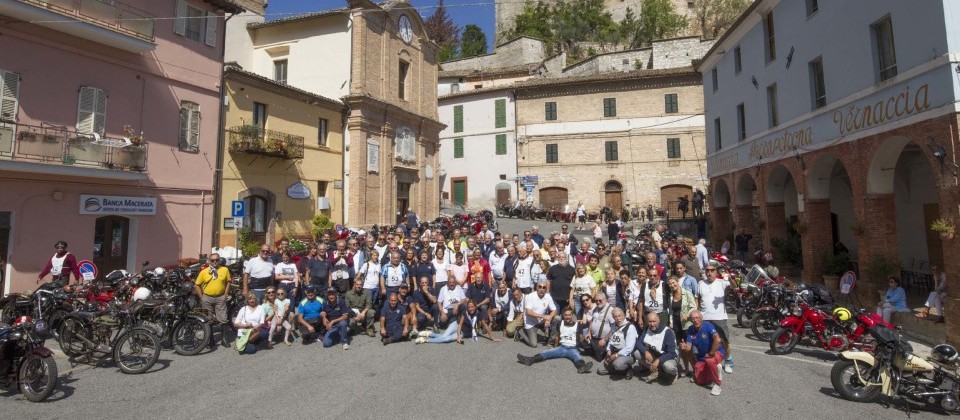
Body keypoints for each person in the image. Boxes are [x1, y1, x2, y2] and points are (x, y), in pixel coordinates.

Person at [516, 307, 594, 374]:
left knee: (578, 358)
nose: (567, 317)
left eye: (569, 315)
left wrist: (587, 346)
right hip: (562, 347)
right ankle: (530, 360)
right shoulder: (560, 323)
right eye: (566, 315)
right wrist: (552, 344)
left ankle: (582, 368)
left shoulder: (578, 325)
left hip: (572, 348)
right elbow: (555, 334)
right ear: (563, 315)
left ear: (572, 315)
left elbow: (581, 337)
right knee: (546, 353)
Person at [698, 263, 733, 373]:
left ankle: (728, 361)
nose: (709, 273)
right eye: (707, 271)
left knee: (724, 341)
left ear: (716, 272)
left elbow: (734, 287)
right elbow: (698, 298)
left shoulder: (722, 282)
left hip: (719, 318)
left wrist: (730, 278)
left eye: (712, 270)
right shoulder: (700, 283)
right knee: (707, 342)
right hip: (705, 318)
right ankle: (709, 362)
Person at [681, 310, 725, 396]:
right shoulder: (690, 329)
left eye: (697, 318)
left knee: (710, 361)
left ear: (701, 318)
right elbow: (689, 347)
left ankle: (717, 384)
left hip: (716, 352)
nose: (695, 320)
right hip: (702, 357)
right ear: (691, 320)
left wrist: (711, 353)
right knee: (700, 381)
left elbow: (717, 339)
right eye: (693, 318)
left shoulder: (708, 326)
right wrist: (684, 347)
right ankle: (716, 369)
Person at [635, 311, 679, 383]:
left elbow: (671, 352)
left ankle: (674, 373)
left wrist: (658, 360)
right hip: (656, 354)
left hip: (670, 356)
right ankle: (656, 371)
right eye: (650, 322)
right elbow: (638, 343)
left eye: (654, 321)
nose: (652, 324)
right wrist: (645, 351)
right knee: (637, 353)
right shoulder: (647, 329)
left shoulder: (667, 332)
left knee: (668, 366)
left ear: (658, 320)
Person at [596, 308, 638, 378]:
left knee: (618, 364)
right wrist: (609, 352)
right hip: (614, 351)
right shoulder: (613, 325)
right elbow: (611, 340)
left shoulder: (630, 327)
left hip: (627, 354)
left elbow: (629, 348)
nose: (618, 318)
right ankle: (621, 370)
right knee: (600, 370)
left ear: (624, 315)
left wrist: (615, 356)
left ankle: (627, 368)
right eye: (615, 316)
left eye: (619, 316)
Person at [194, 253, 231, 327]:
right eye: (212, 260)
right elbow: (196, 285)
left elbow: (228, 282)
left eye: (217, 260)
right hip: (207, 298)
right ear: (209, 261)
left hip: (220, 297)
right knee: (207, 319)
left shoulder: (225, 270)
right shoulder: (204, 272)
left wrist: (225, 294)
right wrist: (201, 297)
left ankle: (223, 336)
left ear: (219, 260)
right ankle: (210, 337)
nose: (215, 262)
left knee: (223, 319)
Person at [518, 283, 558, 348]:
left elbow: (554, 310)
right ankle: (521, 332)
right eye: (540, 287)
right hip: (530, 322)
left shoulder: (548, 296)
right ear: (537, 288)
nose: (542, 289)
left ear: (546, 289)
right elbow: (529, 312)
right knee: (533, 344)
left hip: (542, 320)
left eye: (544, 287)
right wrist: (543, 316)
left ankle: (551, 341)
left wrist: (549, 318)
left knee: (557, 318)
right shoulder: (530, 296)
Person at [583, 292, 616, 360]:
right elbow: (592, 320)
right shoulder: (596, 308)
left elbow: (614, 327)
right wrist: (589, 332)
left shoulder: (610, 311)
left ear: (605, 300)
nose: (598, 302)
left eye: (600, 300)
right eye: (596, 301)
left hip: (603, 340)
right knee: (581, 341)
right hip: (593, 337)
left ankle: (599, 350)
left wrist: (605, 339)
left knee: (599, 358)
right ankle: (594, 348)